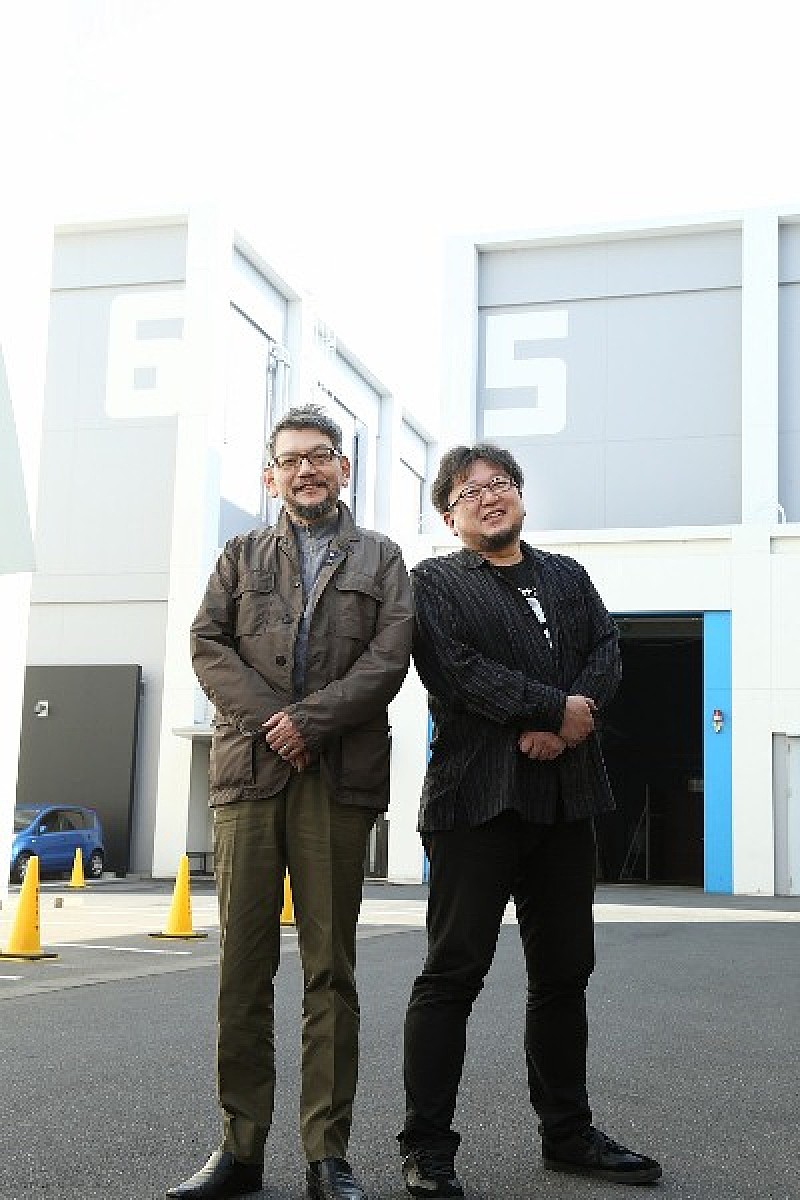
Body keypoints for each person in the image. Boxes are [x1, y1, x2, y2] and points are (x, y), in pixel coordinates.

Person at [398, 443, 662, 1196]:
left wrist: (569, 723)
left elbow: (606, 651)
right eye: (471, 490)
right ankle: (426, 1146)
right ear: (449, 516)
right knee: (453, 974)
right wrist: (551, 709)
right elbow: (456, 671)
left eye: (502, 482)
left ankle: (568, 1134)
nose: (491, 495)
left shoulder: (566, 576)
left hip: (566, 799)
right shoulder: (435, 584)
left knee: (564, 974)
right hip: (475, 801)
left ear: (520, 495)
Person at [169, 405, 413, 1200]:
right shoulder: (239, 555)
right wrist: (276, 724)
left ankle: (325, 1155)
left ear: (344, 468)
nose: (306, 469)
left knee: (329, 970)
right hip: (249, 773)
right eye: (291, 459)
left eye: (320, 455)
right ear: (269, 476)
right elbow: (207, 644)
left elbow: (389, 657)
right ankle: (239, 1151)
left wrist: (309, 722)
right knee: (242, 967)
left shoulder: (382, 557)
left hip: (337, 778)